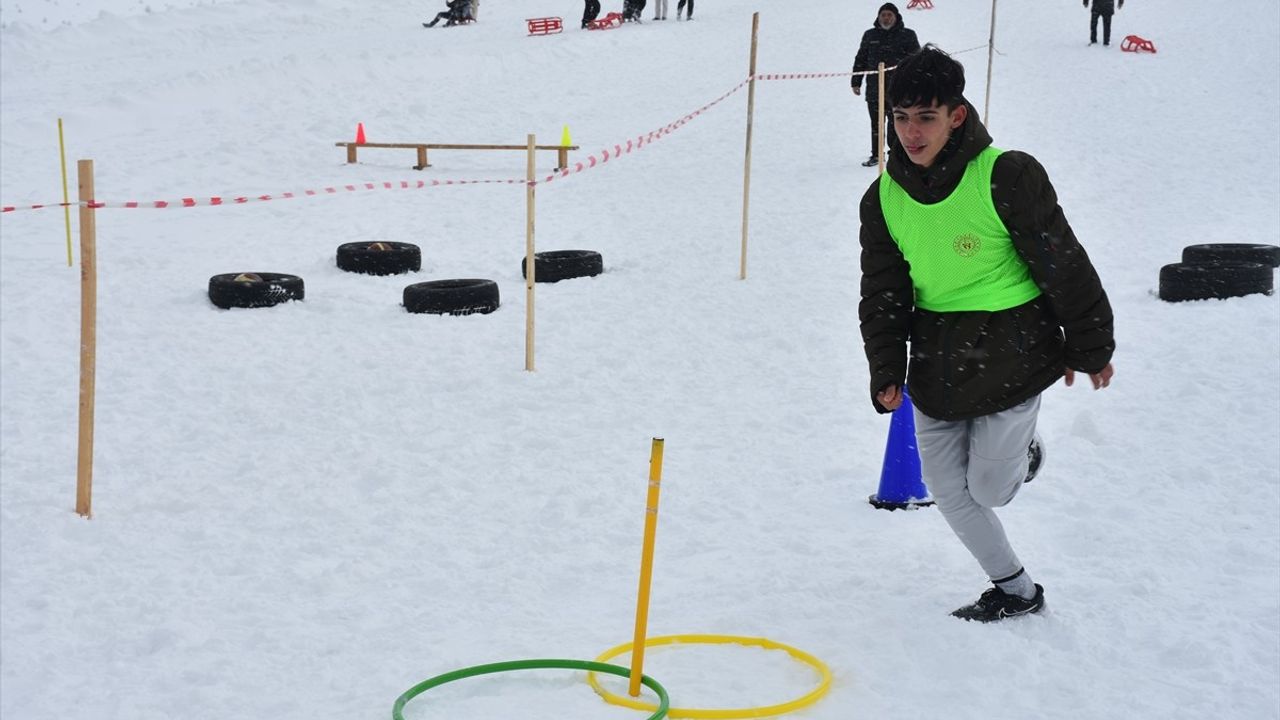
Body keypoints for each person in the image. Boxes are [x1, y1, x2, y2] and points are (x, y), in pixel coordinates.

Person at [857, 45, 1115, 623]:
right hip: (933, 358)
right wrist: (885, 369)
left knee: (992, 490)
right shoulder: (883, 199)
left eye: (925, 117)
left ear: (957, 115)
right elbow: (883, 293)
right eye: (899, 118)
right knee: (949, 492)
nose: (910, 132)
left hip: (1013, 352)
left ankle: (1022, 455)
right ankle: (1016, 589)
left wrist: (1091, 345)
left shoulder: (1007, 174)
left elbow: (1062, 263)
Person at [851, 3, 920, 167]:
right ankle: (876, 154)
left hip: (898, 90)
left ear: (896, 17)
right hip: (875, 89)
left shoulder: (907, 35)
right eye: (883, 15)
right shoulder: (870, 35)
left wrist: (916, 83)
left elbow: (916, 61)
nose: (886, 18)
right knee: (876, 123)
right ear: (878, 17)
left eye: (889, 15)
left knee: (896, 123)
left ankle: (895, 154)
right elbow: (861, 58)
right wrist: (856, 82)